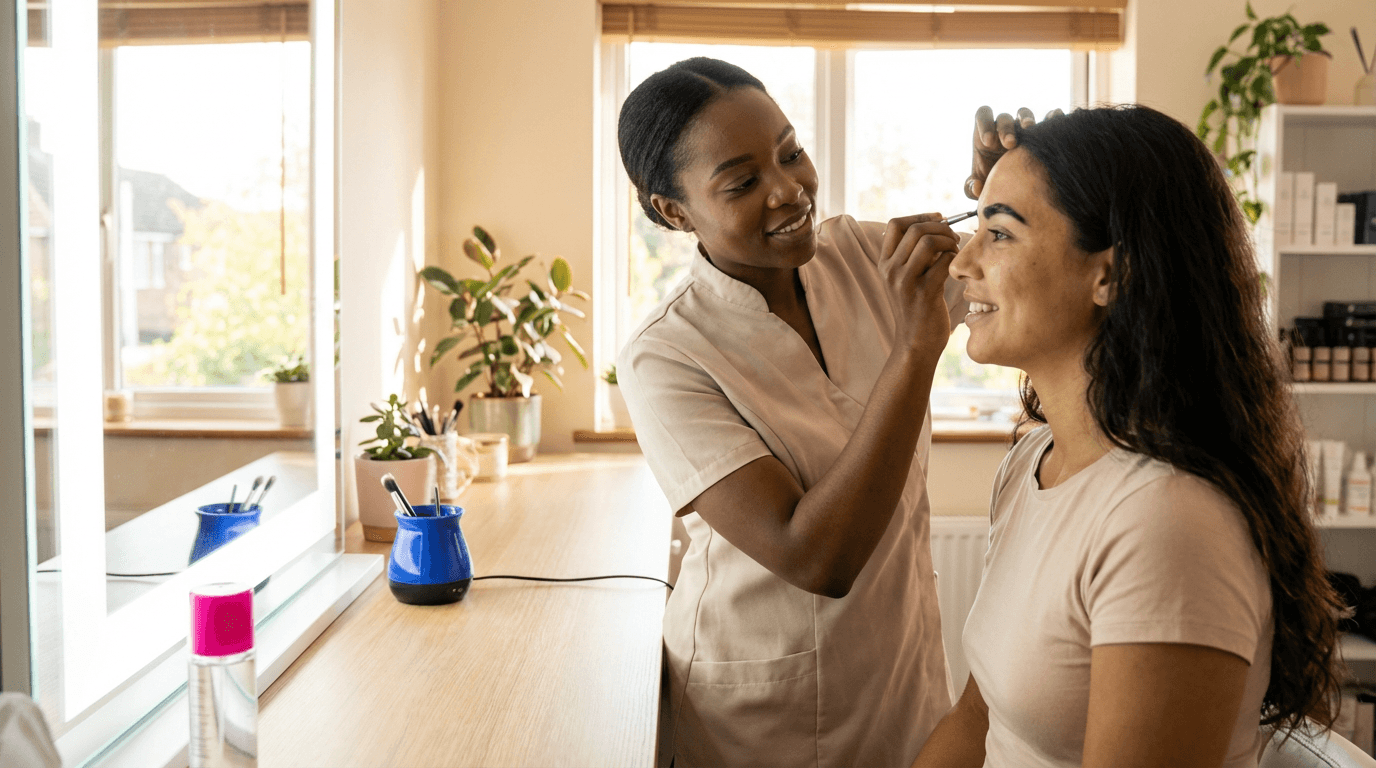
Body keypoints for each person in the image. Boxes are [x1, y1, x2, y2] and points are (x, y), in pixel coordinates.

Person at [916, 104, 1342, 768]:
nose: (961, 261)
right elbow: (978, 719)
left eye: (997, 234)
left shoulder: (1167, 521)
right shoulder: (1036, 461)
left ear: (1110, 274)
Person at [615, 56, 1000, 766]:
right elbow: (816, 555)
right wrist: (916, 352)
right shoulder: (665, 354)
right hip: (759, 722)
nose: (790, 189)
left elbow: (997, 268)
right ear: (674, 211)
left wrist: (1002, 192)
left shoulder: (857, 254)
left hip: (901, 683)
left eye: (791, 153)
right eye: (742, 181)